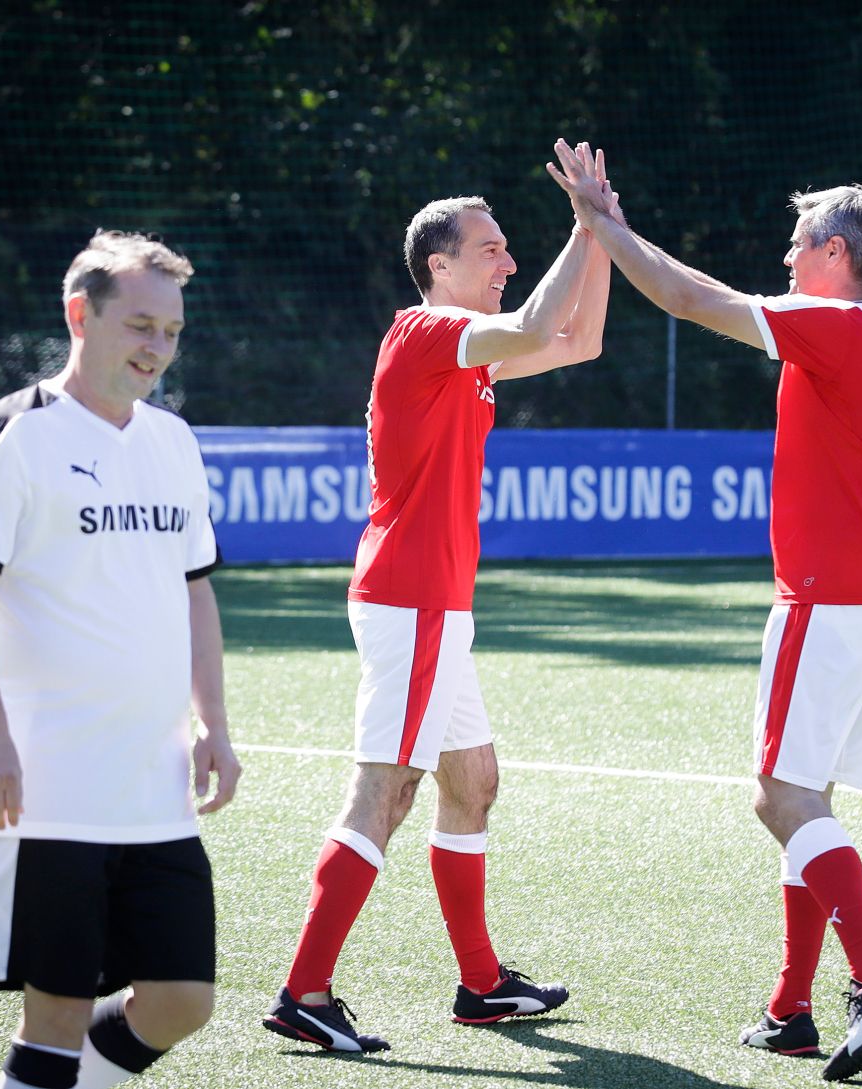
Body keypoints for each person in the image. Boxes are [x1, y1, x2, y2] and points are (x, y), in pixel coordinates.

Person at [549, 141, 862, 1082]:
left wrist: (605, 224)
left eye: (801, 242)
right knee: (811, 795)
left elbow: (687, 298)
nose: (789, 257)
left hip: (831, 597)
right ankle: (792, 1008)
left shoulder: (835, 323)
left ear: (837, 251)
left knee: (779, 795)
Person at [263, 160, 614, 1053]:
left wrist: (601, 231)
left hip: (435, 604)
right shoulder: (428, 331)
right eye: (491, 248)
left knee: (474, 782)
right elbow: (541, 318)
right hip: (411, 599)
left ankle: (483, 984)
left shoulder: (465, 345)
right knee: (385, 791)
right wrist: (583, 223)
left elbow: (579, 343)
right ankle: (304, 991)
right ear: (441, 265)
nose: (506, 259)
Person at [0, 230, 242, 1089]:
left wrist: (213, 722)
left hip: (155, 782)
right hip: (49, 781)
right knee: (56, 1014)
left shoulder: (173, 442)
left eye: (171, 332)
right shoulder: (14, 434)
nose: (157, 349)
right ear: (81, 314)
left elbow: (195, 592)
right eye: (140, 325)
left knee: (183, 997)